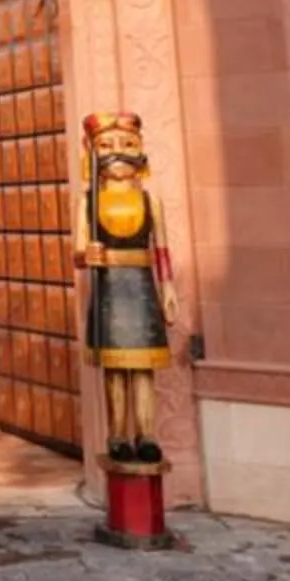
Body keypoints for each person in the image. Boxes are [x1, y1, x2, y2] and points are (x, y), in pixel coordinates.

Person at [76, 109, 176, 463]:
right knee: (116, 368)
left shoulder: (151, 202)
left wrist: (168, 290)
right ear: (91, 153)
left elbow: (162, 249)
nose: (117, 152)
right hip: (110, 290)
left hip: (142, 284)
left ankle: (146, 434)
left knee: (143, 369)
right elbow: (78, 252)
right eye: (106, 144)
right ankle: (118, 433)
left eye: (126, 143)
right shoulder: (89, 203)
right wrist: (87, 254)